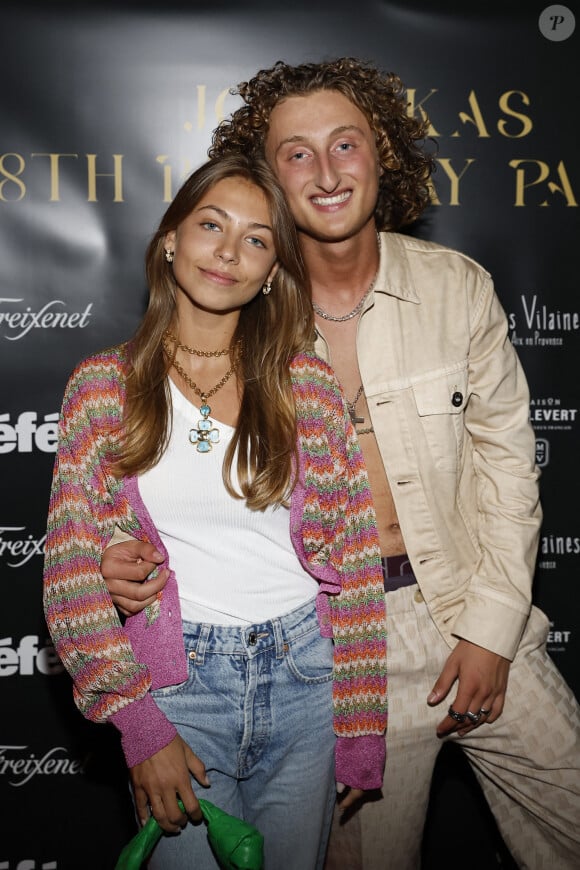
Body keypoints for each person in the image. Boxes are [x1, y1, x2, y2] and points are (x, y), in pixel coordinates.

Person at [100, 58, 580, 870]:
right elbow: (160, 460)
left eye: (345, 144)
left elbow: (509, 468)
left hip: (475, 605)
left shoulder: (456, 286)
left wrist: (493, 633)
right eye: (296, 153)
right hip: (334, 651)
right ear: (267, 175)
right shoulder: (239, 305)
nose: (325, 173)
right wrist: (122, 556)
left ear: (381, 153)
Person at [42, 152, 388, 870]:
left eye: (258, 239)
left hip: (306, 682)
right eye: (211, 225)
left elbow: (354, 562)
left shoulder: (307, 385)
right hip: (177, 687)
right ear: (171, 239)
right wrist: (139, 725)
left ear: (272, 272)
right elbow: (70, 575)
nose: (230, 252)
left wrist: (361, 727)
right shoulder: (103, 388)